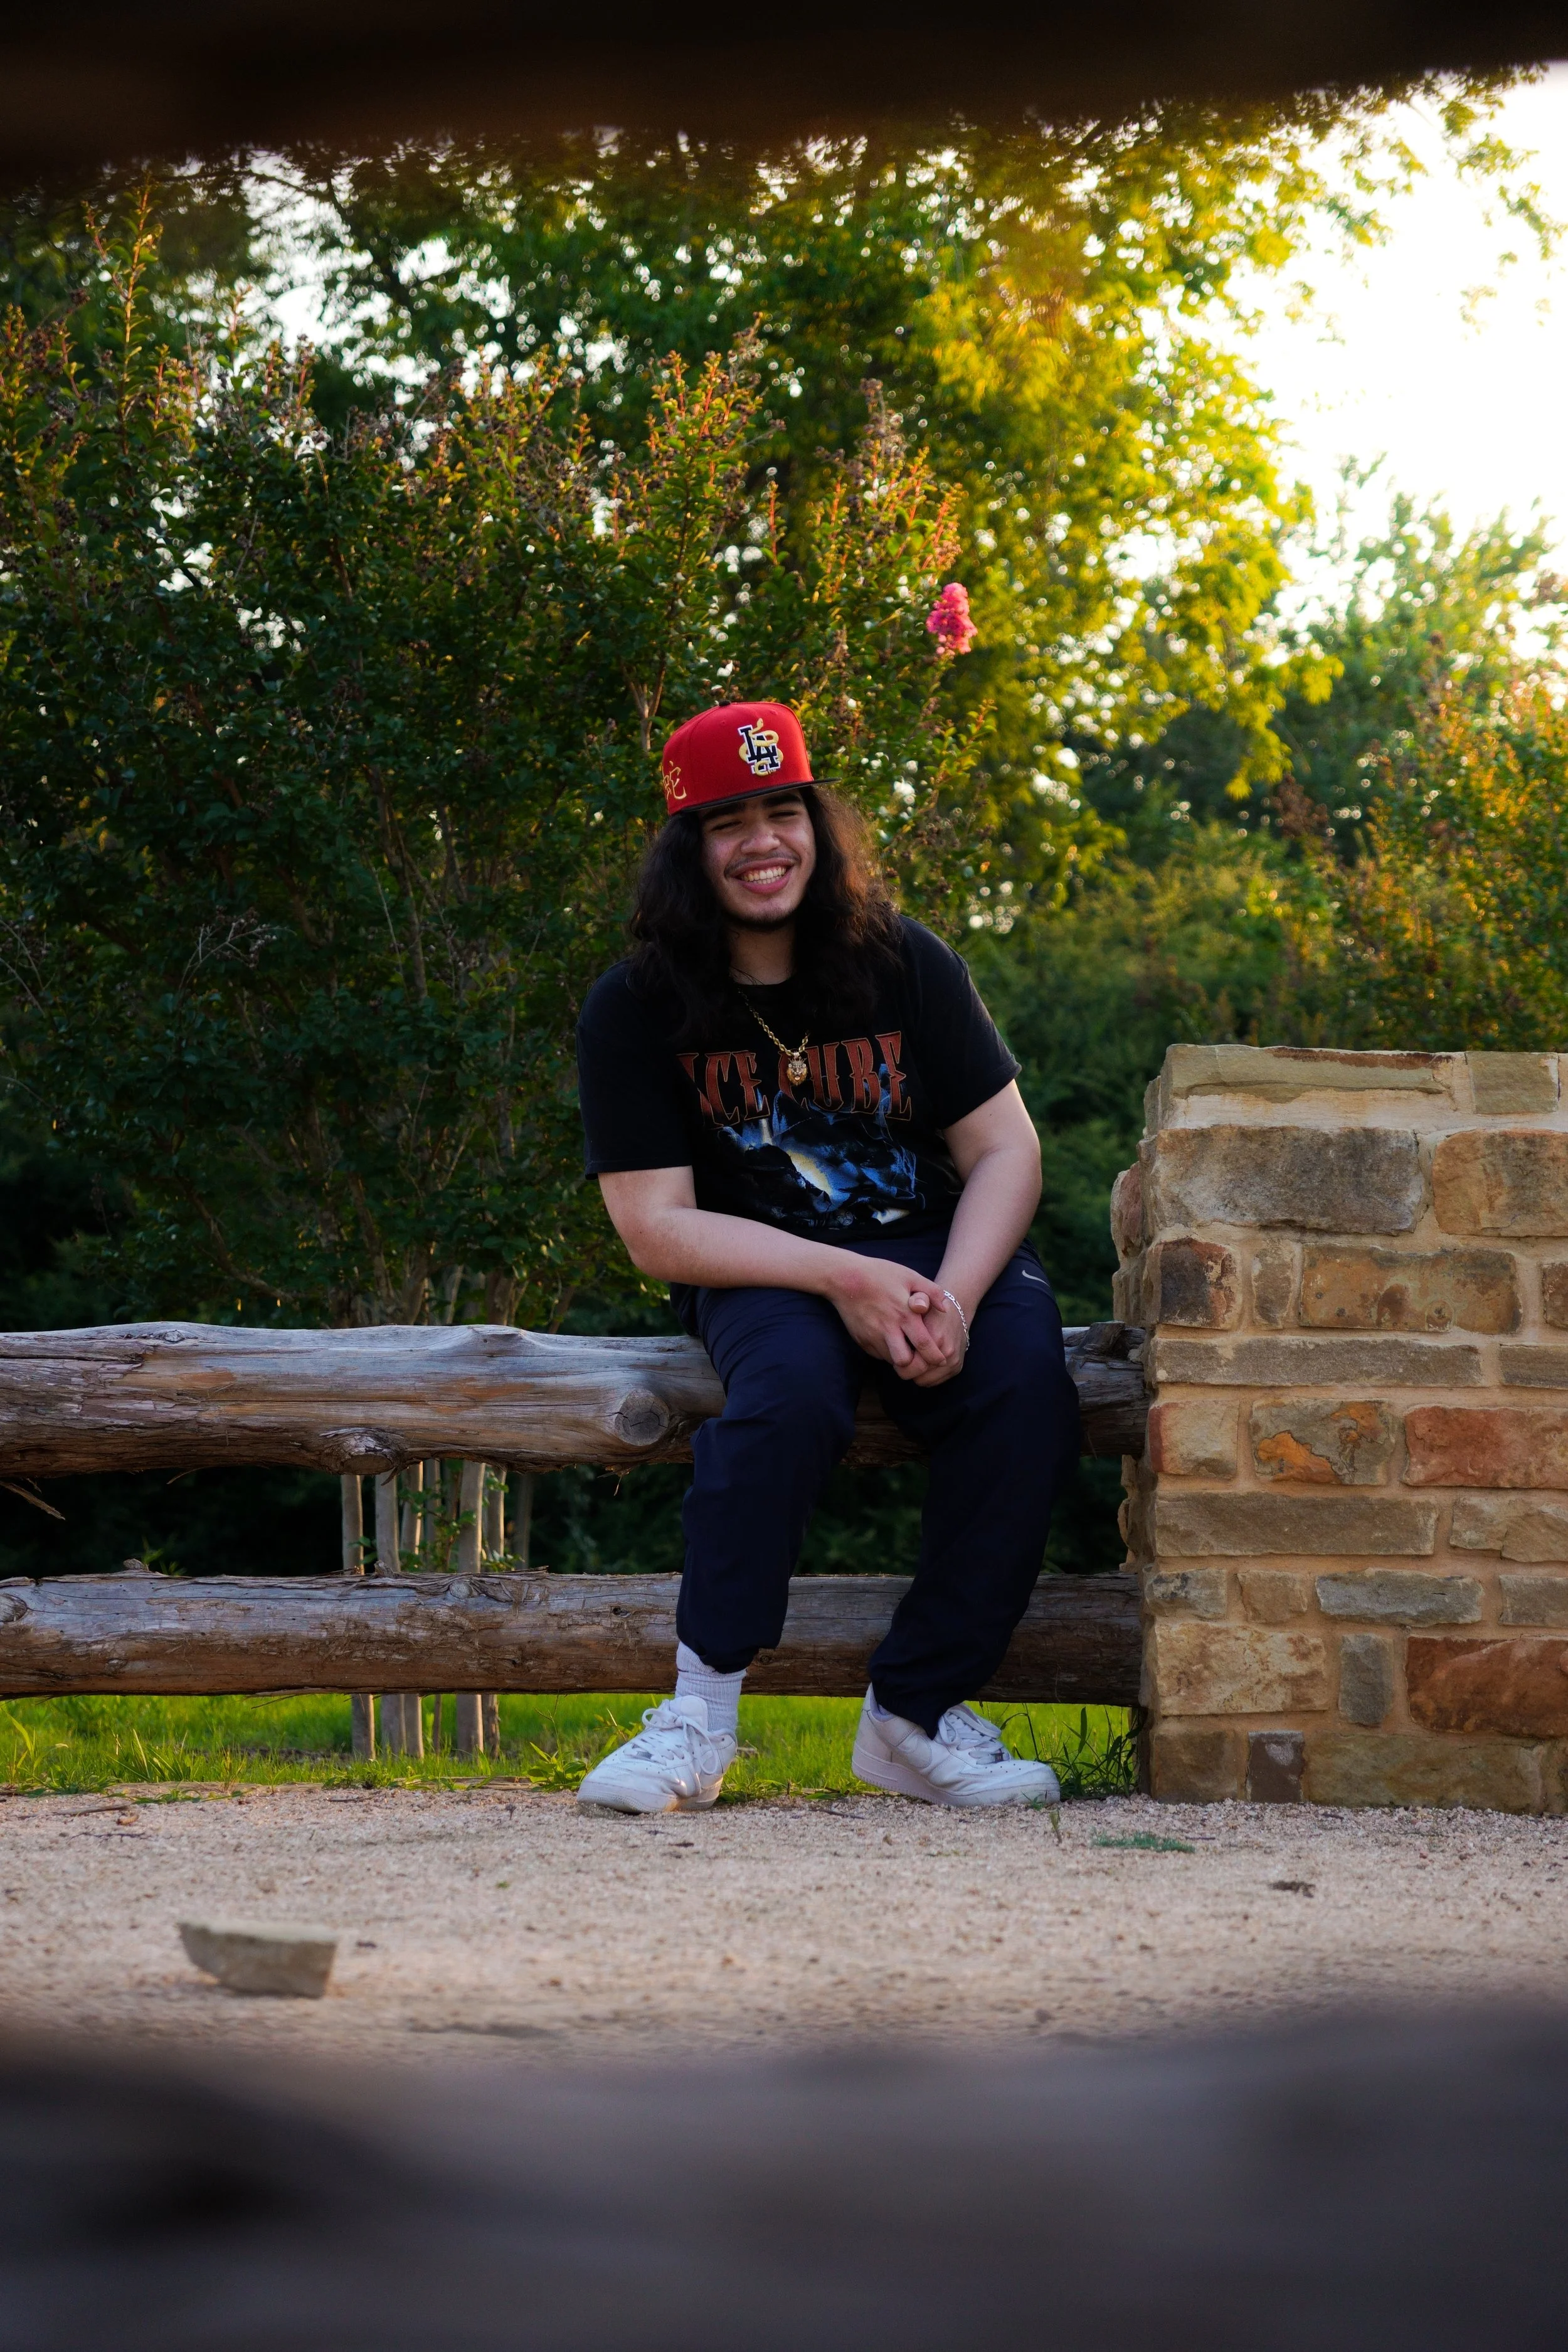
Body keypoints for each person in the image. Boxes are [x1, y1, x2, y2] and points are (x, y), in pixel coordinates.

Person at [573, 698, 1080, 1813]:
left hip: (941, 1250)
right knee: (790, 1400)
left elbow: (1006, 1149)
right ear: (687, 850)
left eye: (782, 810)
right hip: (760, 1263)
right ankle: (697, 1721)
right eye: (727, 821)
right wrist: (840, 1276)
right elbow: (654, 1224)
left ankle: (913, 1715)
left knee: (1025, 1387)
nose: (763, 841)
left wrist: (953, 1292)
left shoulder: (904, 963)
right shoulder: (635, 1008)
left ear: (818, 823)